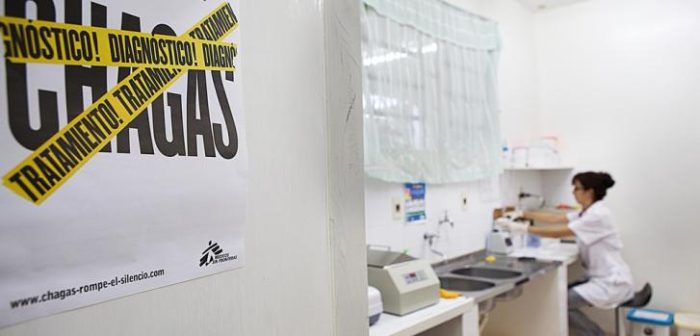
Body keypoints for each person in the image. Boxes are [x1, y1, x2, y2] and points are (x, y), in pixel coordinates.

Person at [501, 171, 634, 336]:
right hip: (601, 277)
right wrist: (522, 213)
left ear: (589, 192)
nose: (573, 192)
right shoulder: (587, 211)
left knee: (561, 302)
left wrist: (522, 228)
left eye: (577, 188)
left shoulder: (597, 215)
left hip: (611, 282)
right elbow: (555, 219)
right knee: (559, 293)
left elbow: (559, 232)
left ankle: (597, 334)